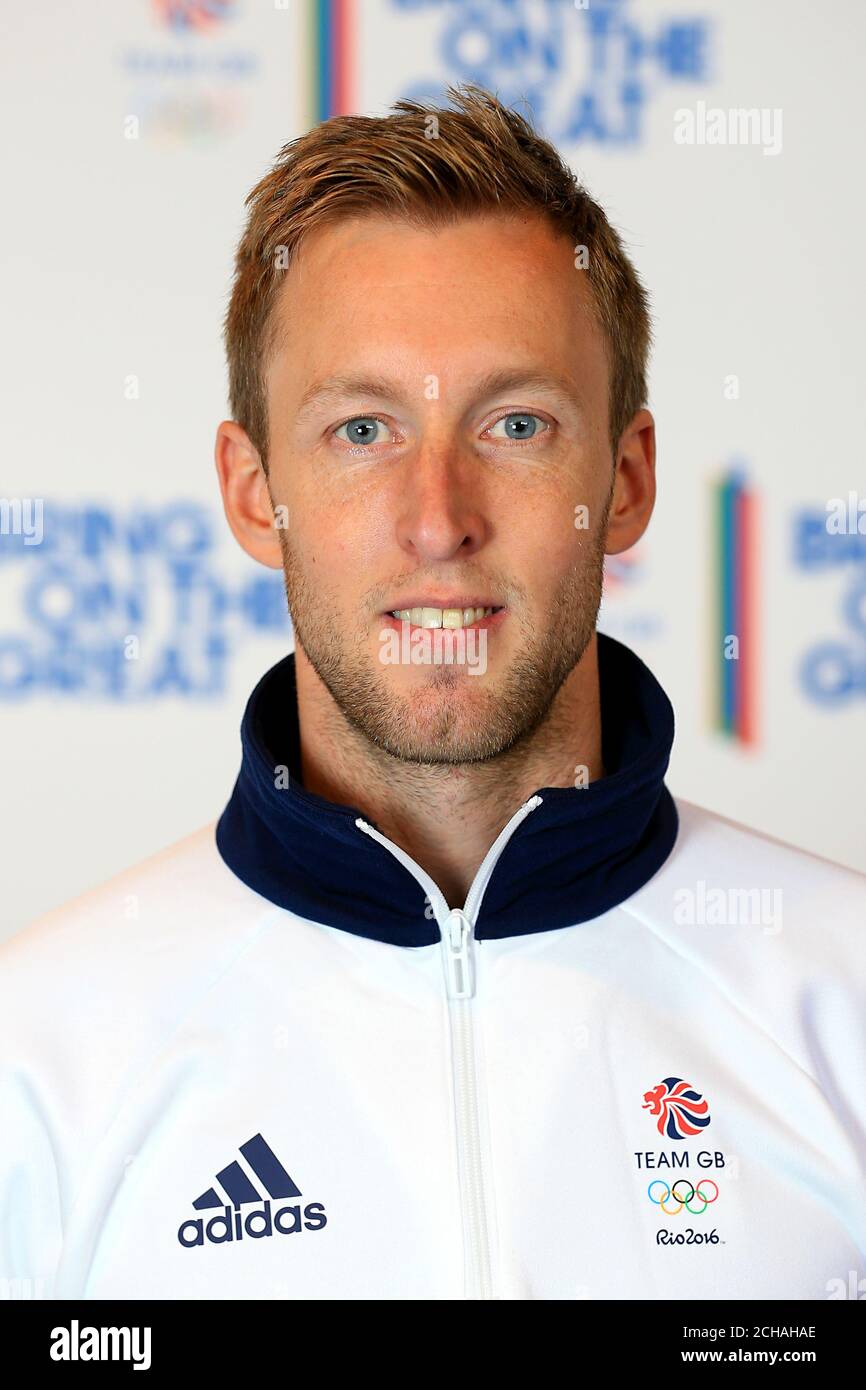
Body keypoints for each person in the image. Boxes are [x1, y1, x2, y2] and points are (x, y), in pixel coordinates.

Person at [1, 84, 864, 1302]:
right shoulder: (37, 1063)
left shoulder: (843, 1006)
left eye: (514, 423)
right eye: (361, 431)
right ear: (255, 493)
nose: (437, 521)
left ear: (623, 480)